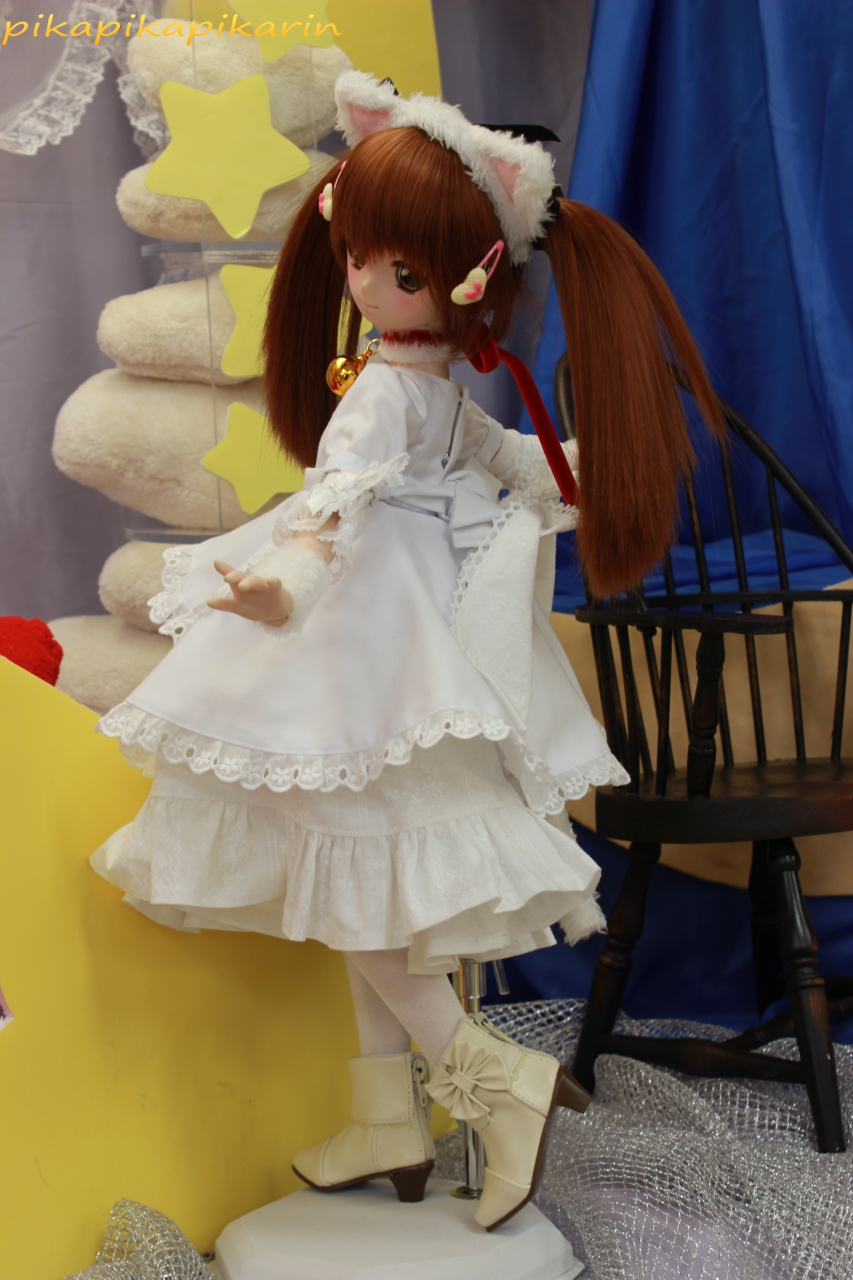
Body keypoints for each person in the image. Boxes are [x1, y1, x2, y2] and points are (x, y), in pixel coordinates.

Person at [92, 72, 723, 1231]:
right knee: (355, 870)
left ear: (467, 278)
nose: (363, 281)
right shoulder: (415, 385)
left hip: (363, 655)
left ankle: (490, 1079)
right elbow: (479, 465)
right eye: (358, 256)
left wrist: (283, 588)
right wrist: (564, 474)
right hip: (406, 646)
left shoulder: (392, 393)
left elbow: (334, 513)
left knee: (355, 877)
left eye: (398, 269)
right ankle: (386, 1115)